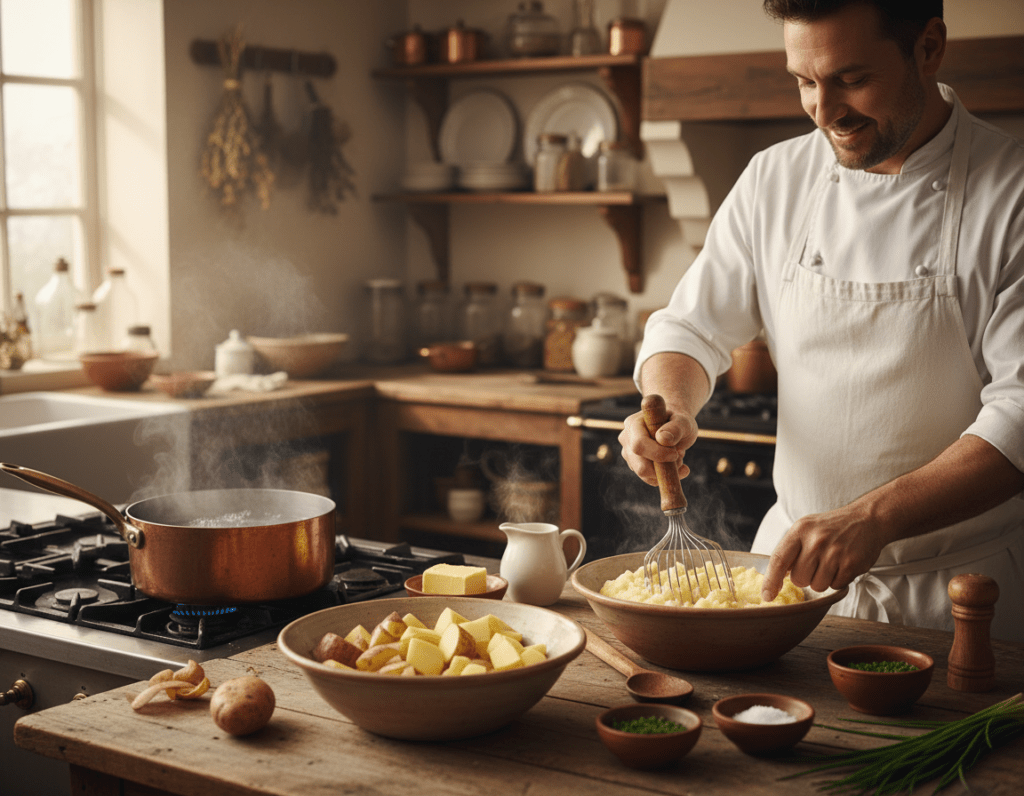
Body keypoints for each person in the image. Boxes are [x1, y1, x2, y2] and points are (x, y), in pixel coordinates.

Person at [620, 0, 1024, 642]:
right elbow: (689, 329)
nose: (824, 111)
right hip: (787, 586)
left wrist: (875, 516)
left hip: (955, 599)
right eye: (804, 81)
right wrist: (670, 408)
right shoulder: (774, 179)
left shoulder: (1012, 195)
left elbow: (1020, 414)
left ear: (929, 47)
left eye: (852, 79)